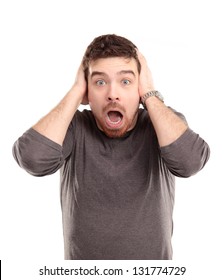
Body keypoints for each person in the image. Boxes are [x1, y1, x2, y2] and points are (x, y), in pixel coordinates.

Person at [12, 34, 210, 260]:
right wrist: (76, 91)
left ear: (139, 87)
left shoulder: (161, 123)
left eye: (125, 81)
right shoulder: (73, 127)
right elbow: (32, 158)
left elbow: (191, 162)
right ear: (88, 90)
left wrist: (150, 94)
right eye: (100, 82)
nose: (112, 94)